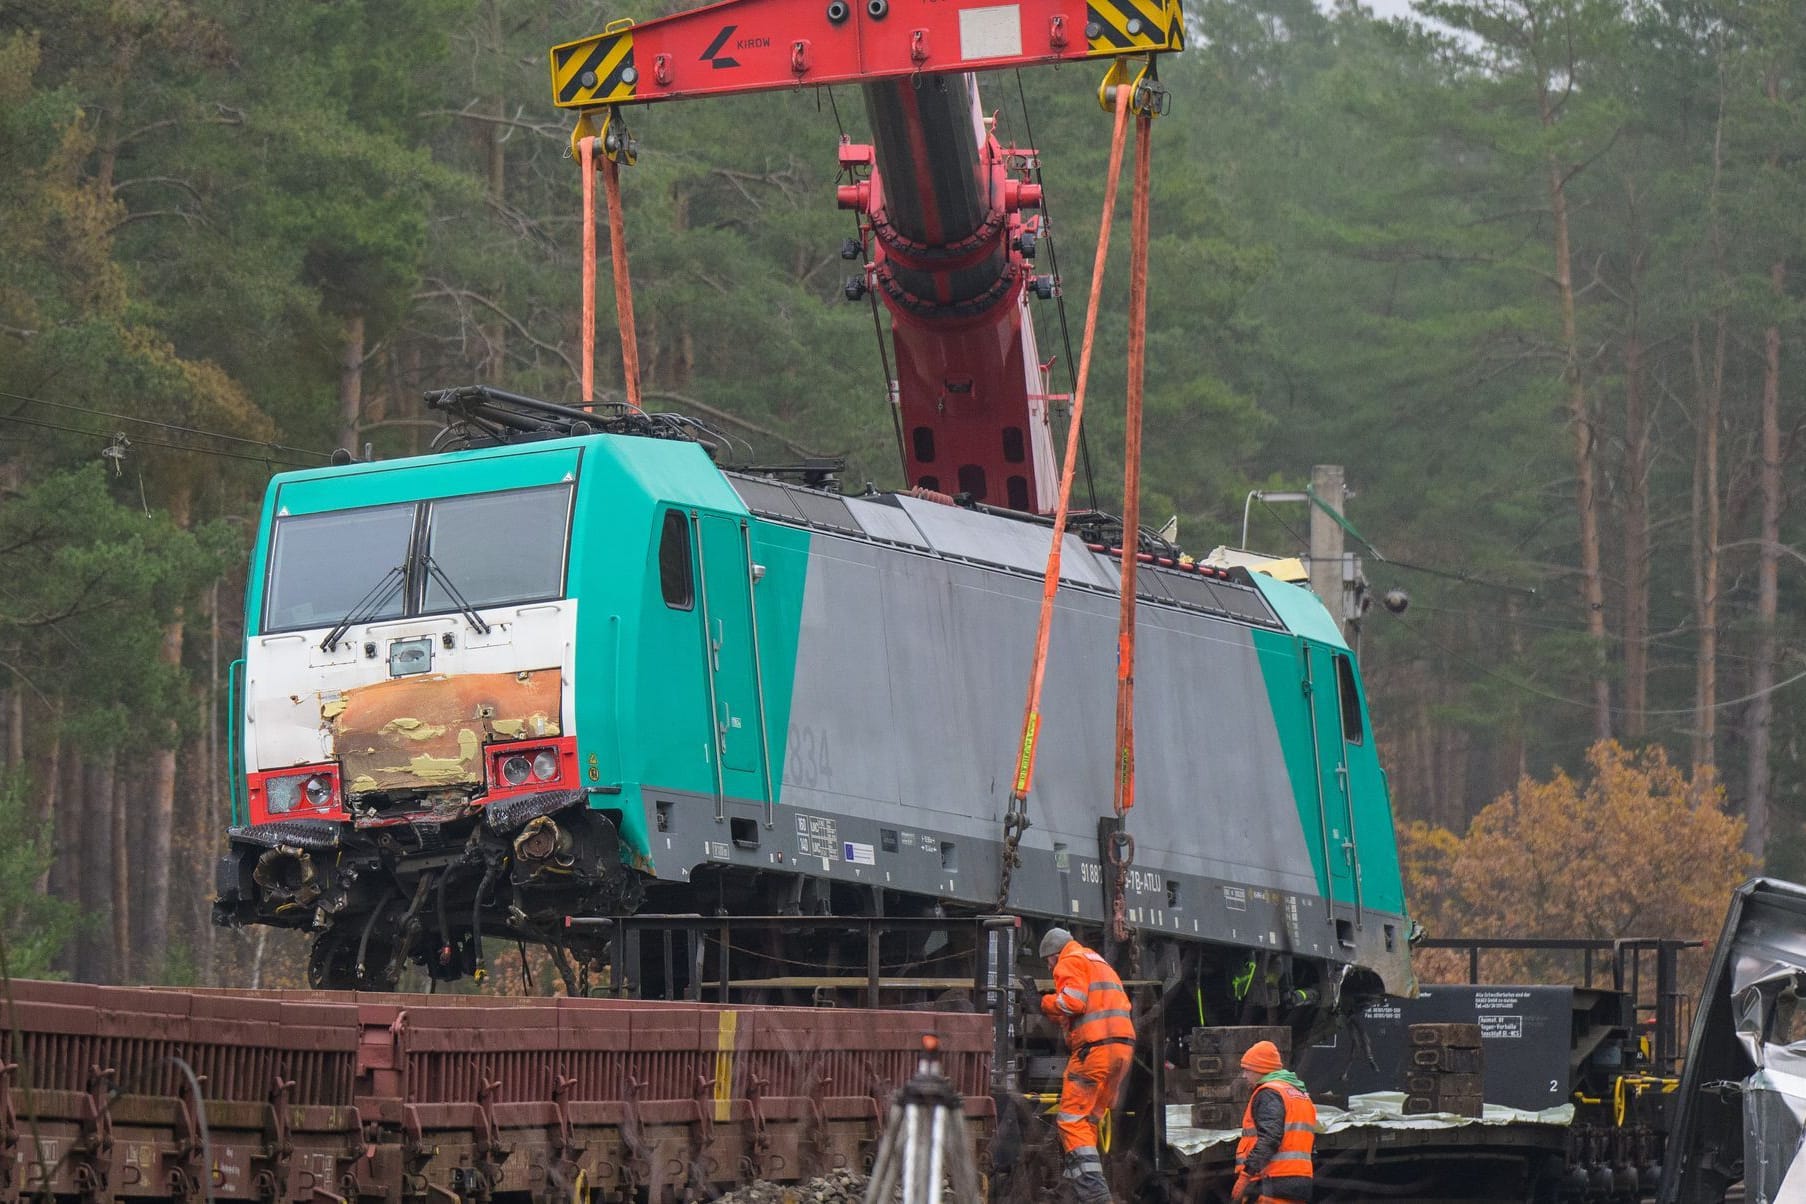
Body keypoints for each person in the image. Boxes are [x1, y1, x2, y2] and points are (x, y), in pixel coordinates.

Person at [1038, 927, 1135, 1204]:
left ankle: (1095, 1195)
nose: (1049, 967)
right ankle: (1068, 1192)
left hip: (1094, 1051)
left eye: (1048, 961)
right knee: (1089, 1120)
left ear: (1056, 954)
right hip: (1120, 1050)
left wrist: (1042, 1002)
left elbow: (1073, 1002)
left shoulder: (1070, 960)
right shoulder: (1096, 960)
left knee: (1071, 1121)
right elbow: (1089, 1008)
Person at [1231, 1039, 1316, 1203]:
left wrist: (1246, 1175)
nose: (1244, 1075)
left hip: (1273, 1180)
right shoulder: (1298, 1093)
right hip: (1300, 1182)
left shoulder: (1270, 1093)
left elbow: (1270, 1138)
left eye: (1247, 1070)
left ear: (1260, 1069)